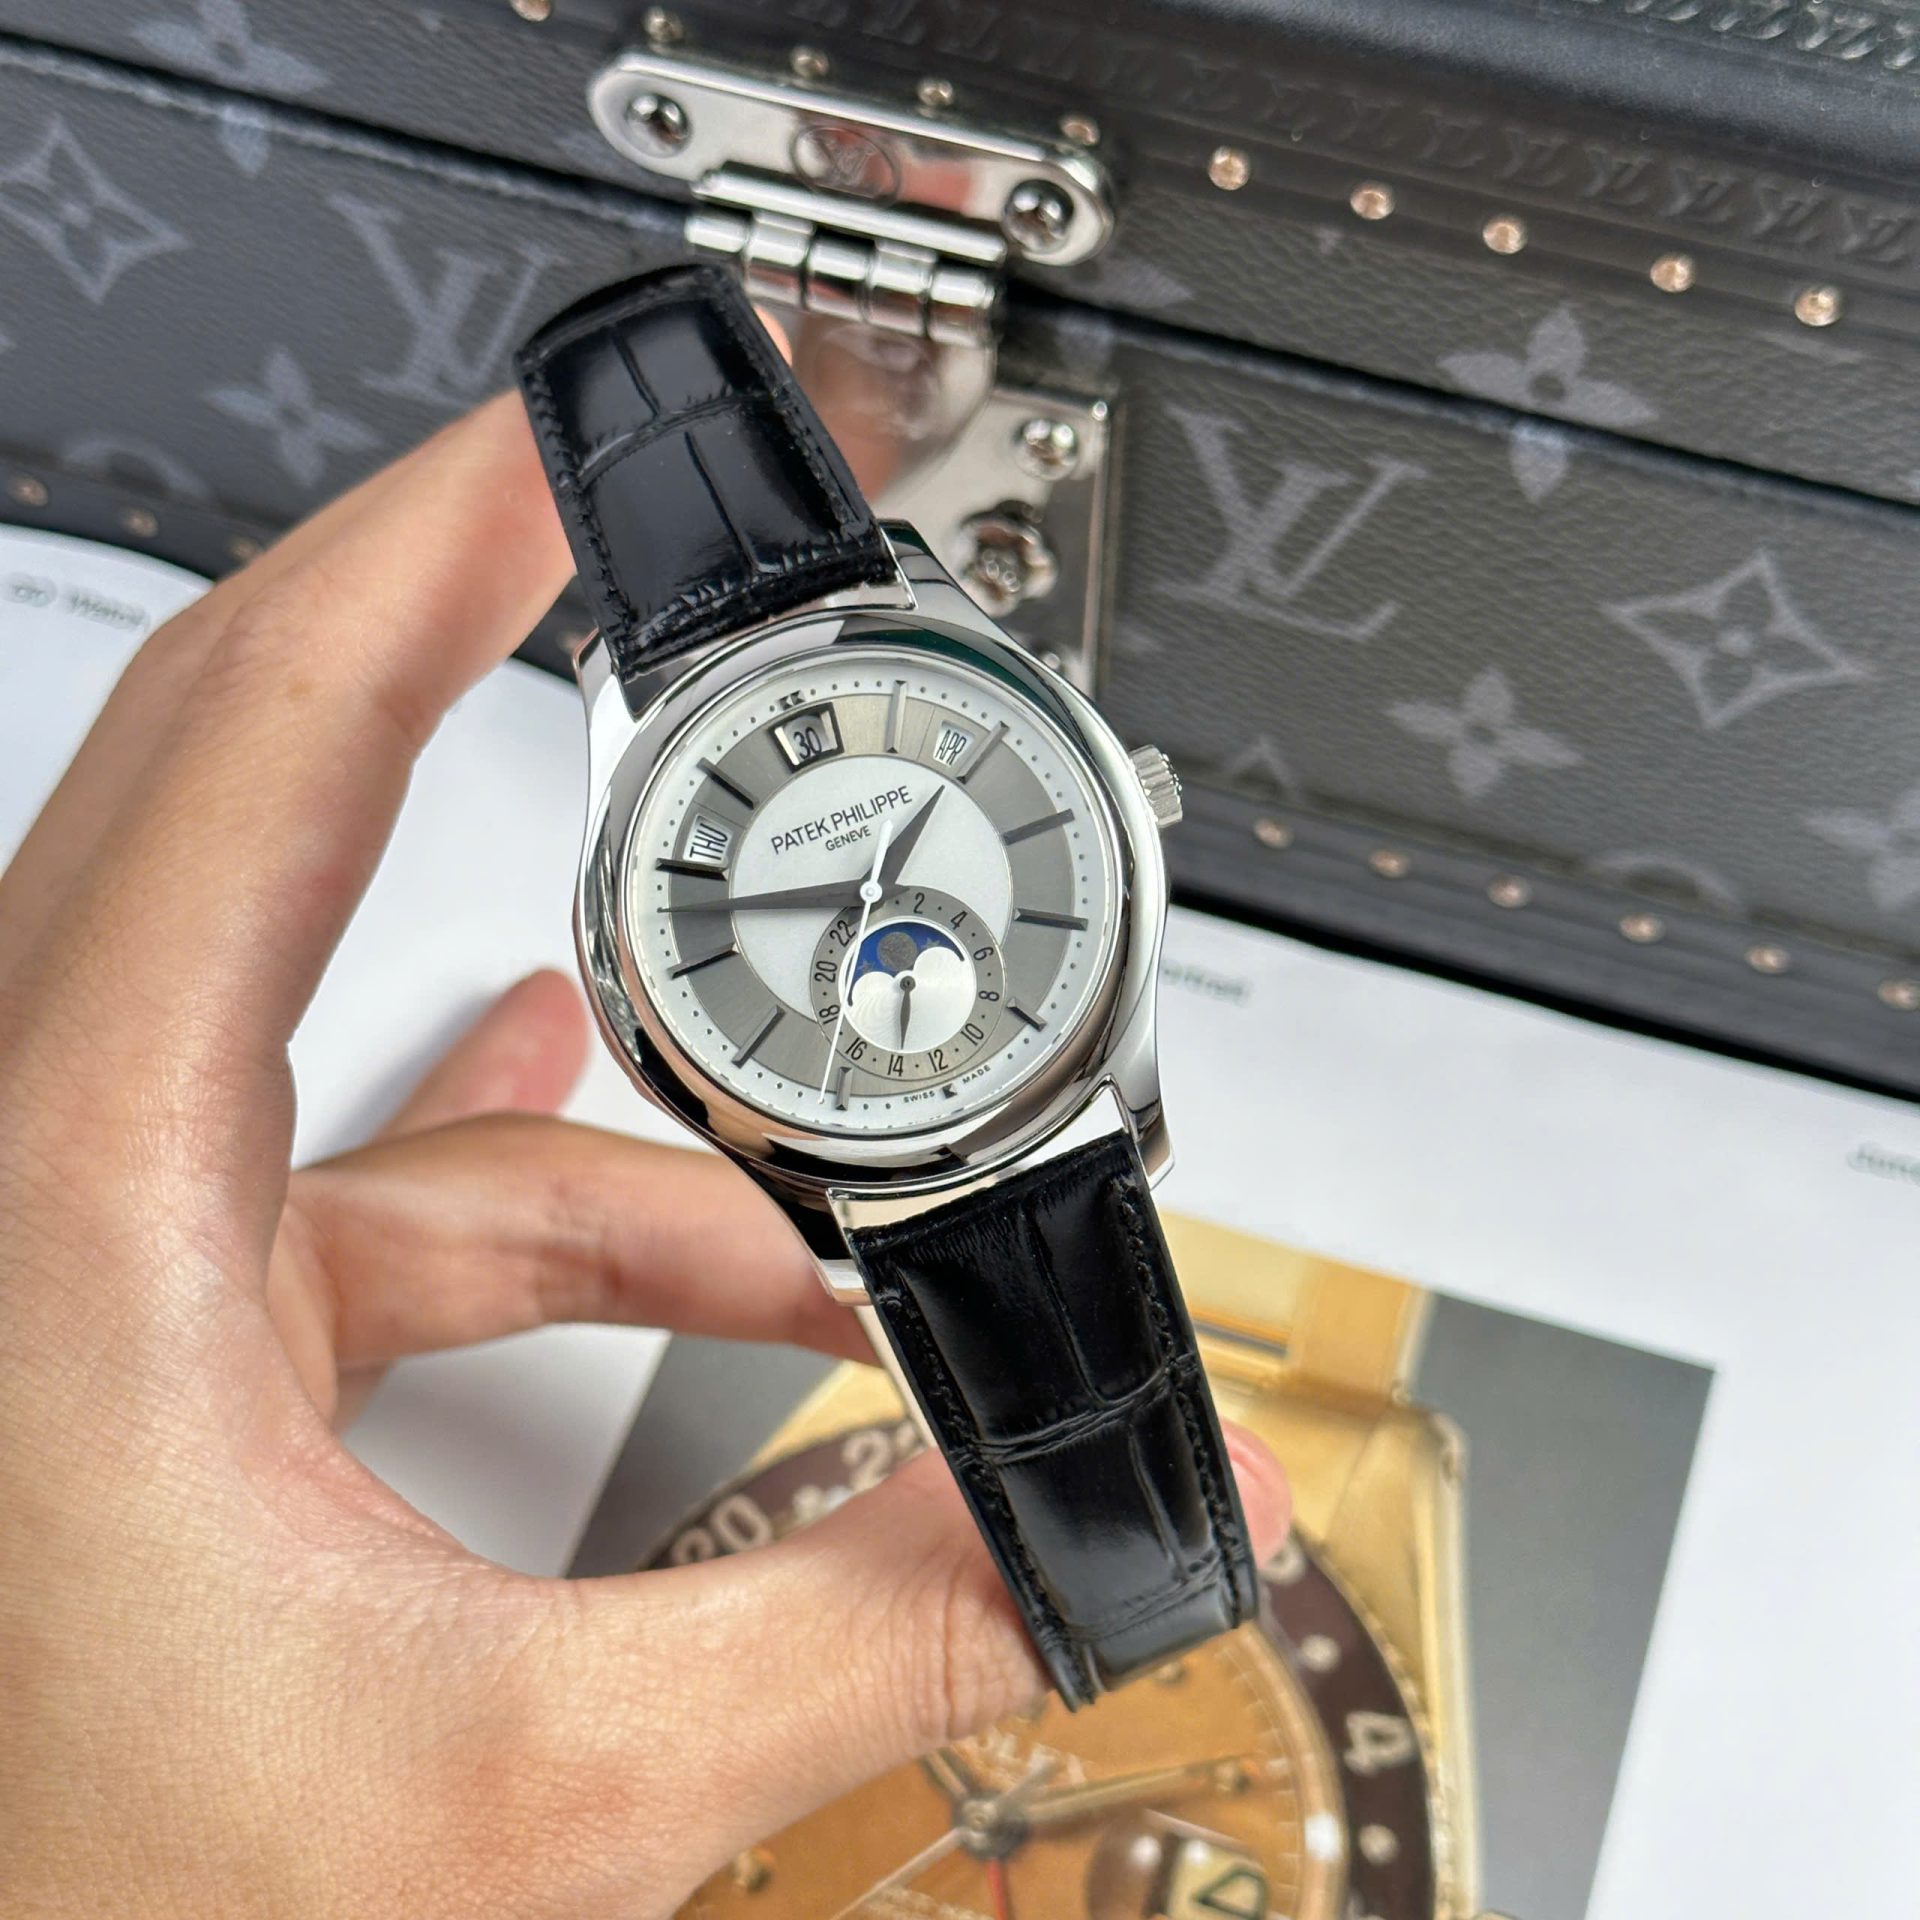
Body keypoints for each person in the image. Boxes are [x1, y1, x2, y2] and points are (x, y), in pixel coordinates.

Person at [0, 394, 1289, 1915]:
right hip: (938, 1131)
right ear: (639, 1002)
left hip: (1048, 1086)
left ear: (1118, 800)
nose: (870, 902)